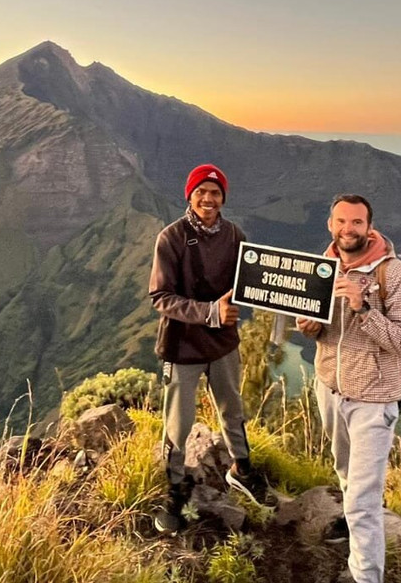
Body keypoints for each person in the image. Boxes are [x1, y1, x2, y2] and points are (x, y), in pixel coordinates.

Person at [296, 194, 401, 583]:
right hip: (331, 389)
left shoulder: (394, 273)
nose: (348, 229)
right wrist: (311, 328)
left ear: (369, 227)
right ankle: (354, 537)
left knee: (365, 503)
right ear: (330, 224)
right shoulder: (323, 267)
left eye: (356, 222)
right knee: (347, 475)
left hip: (373, 400)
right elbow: (326, 335)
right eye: (341, 222)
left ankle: (365, 576)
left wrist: (365, 310)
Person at [148, 163, 263, 533]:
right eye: (202, 191)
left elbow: (254, 280)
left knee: (233, 408)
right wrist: (211, 312)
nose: (208, 198)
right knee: (178, 425)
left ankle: (242, 468)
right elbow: (161, 297)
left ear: (223, 198)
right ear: (190, 195)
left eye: (215, 192)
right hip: (182, 347)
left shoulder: (234, 236)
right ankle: (175, 488)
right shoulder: (171, 238)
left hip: (223, 345)